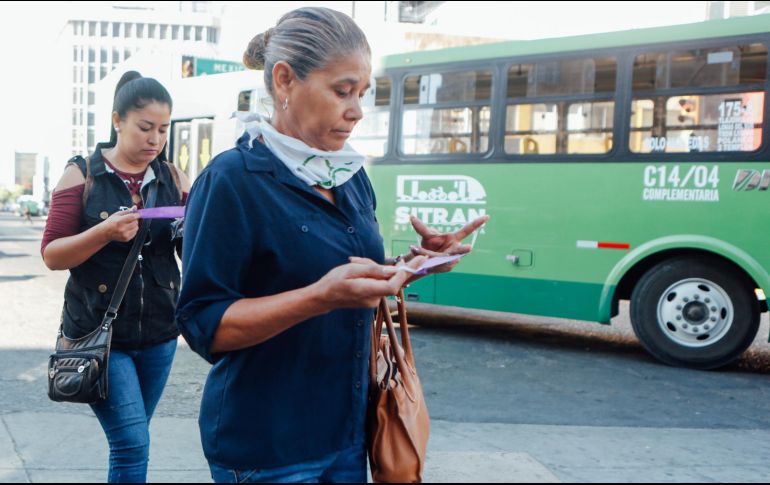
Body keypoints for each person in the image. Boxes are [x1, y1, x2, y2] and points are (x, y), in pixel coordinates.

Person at [176, 7, 488, 483]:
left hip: (346, 436)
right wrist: (319, 298)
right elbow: (204, 324)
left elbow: (341, 268)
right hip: (269, 446)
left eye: (363, 93)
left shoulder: (350, 175)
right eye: (342, 91)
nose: (357, 110)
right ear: (284, 80)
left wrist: (412, 264)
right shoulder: (232, 179)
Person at [41, 71, 190, 483]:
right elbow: (52, 255)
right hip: (99, 336)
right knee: (131, 444)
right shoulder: (82, 174)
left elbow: (191, 250)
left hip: (160, 334)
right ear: (117, 120)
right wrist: (104, 232)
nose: (155, 139)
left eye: (163, 129)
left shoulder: (173, 177)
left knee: (133, 440)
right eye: (145, 127)